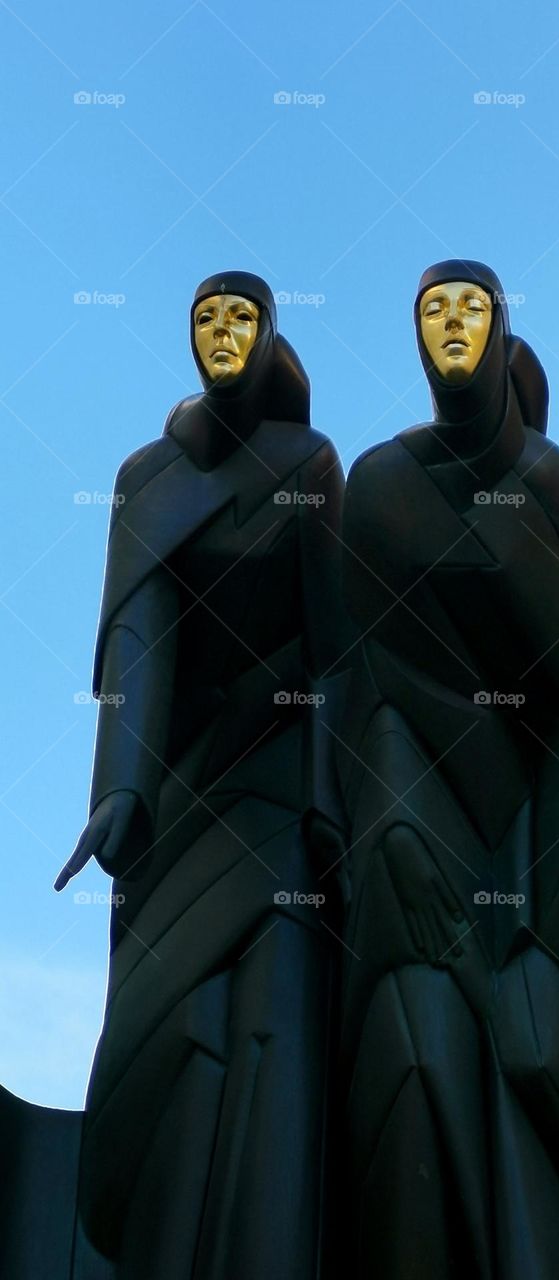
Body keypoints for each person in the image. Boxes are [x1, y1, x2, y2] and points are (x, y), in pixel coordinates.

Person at [336, 260, 559, 1279]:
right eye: (433, 305)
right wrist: (390, 824)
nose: (453, 323)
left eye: (473, 306)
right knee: (417, 1039)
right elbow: (369, 678)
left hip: (543, 820)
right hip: (425, 806)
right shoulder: (382, 483)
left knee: (542, 1041)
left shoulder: (551, 484)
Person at [56, 271, 349, 1280]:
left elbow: (334, 649)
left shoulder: (309, 460)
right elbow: (139, 635)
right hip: (177, 797)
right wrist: (119, 790)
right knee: (172, 1024)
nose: (222, 333)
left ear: (269, 337)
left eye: (241, 318)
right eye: (206, 319)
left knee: (273, 1014)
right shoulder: (148, 474)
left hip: (277, 786)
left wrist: (327, 800)